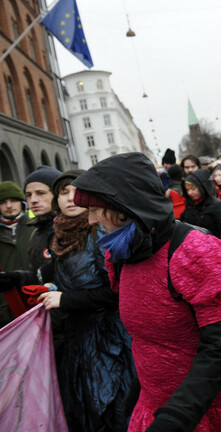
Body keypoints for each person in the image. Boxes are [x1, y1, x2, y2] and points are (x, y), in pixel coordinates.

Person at [70, 152, 221, 432]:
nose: (90, 220)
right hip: (159, 404)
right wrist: (138, 391)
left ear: (121, 208)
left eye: (94, 209)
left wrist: (173, 418)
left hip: (217, 410)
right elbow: (148, 339)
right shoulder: (123, 255)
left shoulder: (194, 253)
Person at [37, 169, 136, 432]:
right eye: (63, 192)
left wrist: (66, 299)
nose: (70, 198)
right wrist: (54, 286)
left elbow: (117, 291)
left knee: (112, 409)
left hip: (109, 340)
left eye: (77, 191)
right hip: (78, 339)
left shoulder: (100, 233)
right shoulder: (58, 235)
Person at [19, 165, 61, 272]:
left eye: (40, 193)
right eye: (29, 195)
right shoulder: (35, 232)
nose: (33, 200)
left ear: (57, 194)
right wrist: (20, 277)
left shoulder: (70, 229)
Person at [0, 180, 29, 327]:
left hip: (36, 300)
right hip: (6, 310)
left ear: (22, 203)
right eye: (3, 202)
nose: (9, 205)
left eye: (13, 200)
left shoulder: (36, 227)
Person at [179, 168, 221, 243]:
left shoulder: (216, 205)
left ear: (202, 187)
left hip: (214, 246)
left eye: (193, 189)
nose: (190, 193)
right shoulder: (189, 205)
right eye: (187, 190)